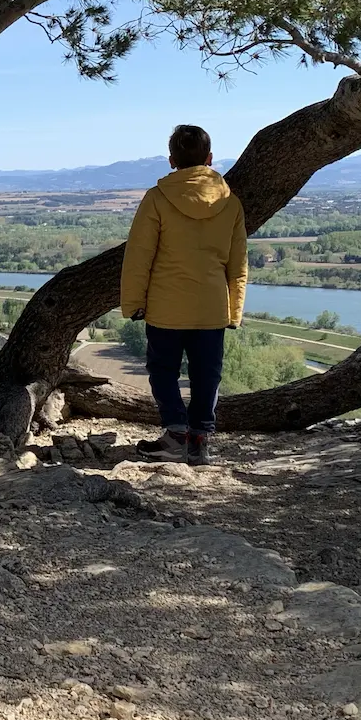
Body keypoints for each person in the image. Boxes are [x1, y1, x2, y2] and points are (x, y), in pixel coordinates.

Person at [119, 124, 247, 466]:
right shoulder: (231, 203)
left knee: (163, 371)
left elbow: (139, 256)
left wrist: (132, 302)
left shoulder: (157, 198)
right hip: (211, 308)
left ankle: (176, 434)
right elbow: (238, 265)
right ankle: (200, 441)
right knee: (208, 375)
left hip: (166, 307)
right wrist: (235, 311)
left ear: (171, 160)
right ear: (209, 159)